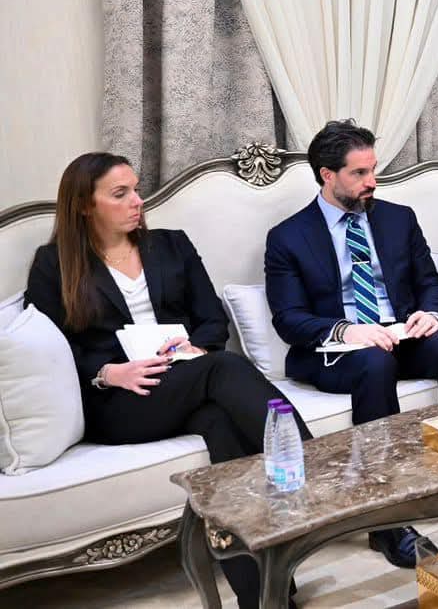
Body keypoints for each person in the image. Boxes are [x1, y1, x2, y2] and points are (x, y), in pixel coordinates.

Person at [26, 153, 311, 609]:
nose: (137, 201)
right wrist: (108, 372)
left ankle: (263, 596)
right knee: (226, 368)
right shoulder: (53, 264)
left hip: (185, 381)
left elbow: (211, 319)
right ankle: (316, 466)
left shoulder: (171, 245)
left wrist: (195, 348)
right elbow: (54, 349)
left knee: (220, 425)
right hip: (119, 399)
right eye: (120, 194)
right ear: (84, 205)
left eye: (136, 189)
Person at [265, 120, 438, 568]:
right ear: (327, 175)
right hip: (339, 351)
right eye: (359, 173)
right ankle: (387, 521)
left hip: (401, 334)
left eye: (373, 170)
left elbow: (430, 282)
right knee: (374, 364)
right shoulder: (287, 237)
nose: (372, 181)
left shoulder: (399, 219)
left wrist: (430, 314)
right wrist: (346, 330)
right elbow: (289, 318)